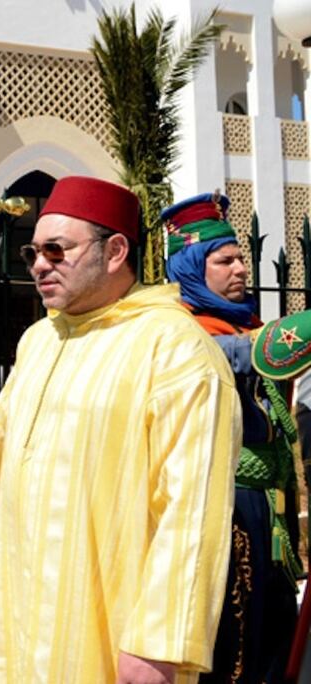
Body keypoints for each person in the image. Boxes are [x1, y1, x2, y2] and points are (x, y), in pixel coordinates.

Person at [0, 176, 240, 683]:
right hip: (23, 619)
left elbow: (192, 509)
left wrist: (160, 644)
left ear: (116, 250)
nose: (39, 265)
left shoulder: (176, 349)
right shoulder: (40, 340)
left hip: (112, 634)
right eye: (32, 251)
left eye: (57, 251)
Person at [162, 193, 301, 683]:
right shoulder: (180, 331)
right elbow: (235, 356)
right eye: (226, 260)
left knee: (276, 637)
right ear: (193, 270)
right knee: (233, 644)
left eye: (242, 257)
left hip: (270, 503)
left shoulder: (248, 322)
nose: (241, 269)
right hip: (227, 507)